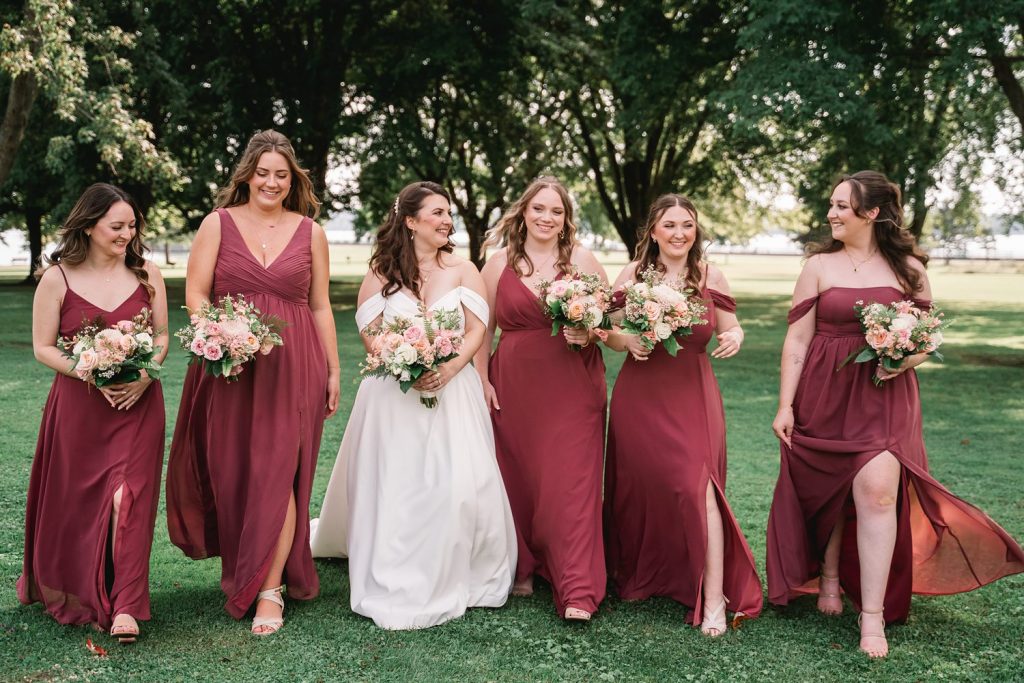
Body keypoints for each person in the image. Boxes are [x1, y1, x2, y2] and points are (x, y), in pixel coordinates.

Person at [767, 170, 1024, 658]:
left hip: (883, 394)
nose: (832, 213)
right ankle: (829, 573)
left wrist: (908, 355)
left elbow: (927, 336)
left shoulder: (909, 269)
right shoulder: (818, 266)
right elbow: (797, 341)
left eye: (843, 205)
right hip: (823, 393)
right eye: (833, 204)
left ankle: (872, 615)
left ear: (872, 212)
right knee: (831, 486)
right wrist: (785, 404)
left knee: (879, 493)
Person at [309, 181, 516, 630]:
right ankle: (395, 567)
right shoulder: (381, 272)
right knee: (397, 482)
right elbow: (370, 331)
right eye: (437, 213)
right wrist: (402, 364)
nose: (447, 221)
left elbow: (480, 328)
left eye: (448, 214)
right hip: (392, 397)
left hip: (453, 390)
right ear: (410, 221)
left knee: (459, 482)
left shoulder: (463, 268)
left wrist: (450, 367)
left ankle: (463, 566)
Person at [166, 129, 340, 635]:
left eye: (281, 175)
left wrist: (332, 370)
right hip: (232, 368)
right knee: (239, 471)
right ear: (247, 175)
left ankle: (269, 591)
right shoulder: (217, 224)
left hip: (294, 367)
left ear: (293, 180)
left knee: (280, 471)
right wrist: (226, 336)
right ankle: (251, 567)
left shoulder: (312, 232)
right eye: (262, 173)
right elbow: (196, 294)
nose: (271, 182)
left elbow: (320, 305)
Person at [603, 194, 763, 636]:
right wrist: (626, 341)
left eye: (687, 225)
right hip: (641, 395)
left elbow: (730, 325)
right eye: (669, 225)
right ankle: (646, 575)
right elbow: (607, 329)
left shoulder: (711, 275)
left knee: (700, 488)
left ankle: (712, 598)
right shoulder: (633, 275)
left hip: (693, 394)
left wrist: (736, 336)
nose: (679, 234)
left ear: (696, 231)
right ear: (653, 231)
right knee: (640, 488)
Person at [19, 183, 168, 644]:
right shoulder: (57, 278)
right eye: (116, 226)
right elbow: (43, 348)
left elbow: (161, 337)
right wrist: (92, 372)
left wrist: (146, 374)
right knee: (83, 502)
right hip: (80, 408)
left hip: (138, 405)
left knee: (129, 499)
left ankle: (125, 604)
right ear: (89, 225)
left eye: (132, 226)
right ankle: (81, 586)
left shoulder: (147, 274)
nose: (127, 234)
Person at [475, 176, 608, 621]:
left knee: (570, 483)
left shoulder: (584, 260)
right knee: (520, 476)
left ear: (566, 218)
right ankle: (523, 566)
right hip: (513, 383)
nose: (547, 218)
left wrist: (587, 330)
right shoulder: (496, 265)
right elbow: (482, 328)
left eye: (556, 211)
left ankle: (577, 588)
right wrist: (481, 379)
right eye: (539, 209)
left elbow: (605, 324)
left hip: (573, 385)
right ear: (523, 213)